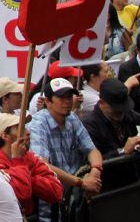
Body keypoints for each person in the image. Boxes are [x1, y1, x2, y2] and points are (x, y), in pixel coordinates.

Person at [27, 78, 102, 221]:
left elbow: (92, 150)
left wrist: (95, 172)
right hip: (51, 205)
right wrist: (81, 182)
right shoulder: (37, 125)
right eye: (61, 98)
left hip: (74, 199)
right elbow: (43, 165)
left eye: (69, 97)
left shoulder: (72, 119)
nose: (67, 101)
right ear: (48, 102)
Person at [81, 79, 140, 191]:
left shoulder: (128, 115)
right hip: (107, 192)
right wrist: (123, 151)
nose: (121, 113)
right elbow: (92, 162)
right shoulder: (89, 125)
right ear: (102, 103)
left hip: (132, 186)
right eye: (116, 109)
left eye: (123, 108)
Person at [0, 113, 62, 218]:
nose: (27, 133)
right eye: (20, 128)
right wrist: (19, 162)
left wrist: (29, 178)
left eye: (25, 127)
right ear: (5, 135)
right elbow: (23, 193)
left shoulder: (30, 157)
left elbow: (56, 192)